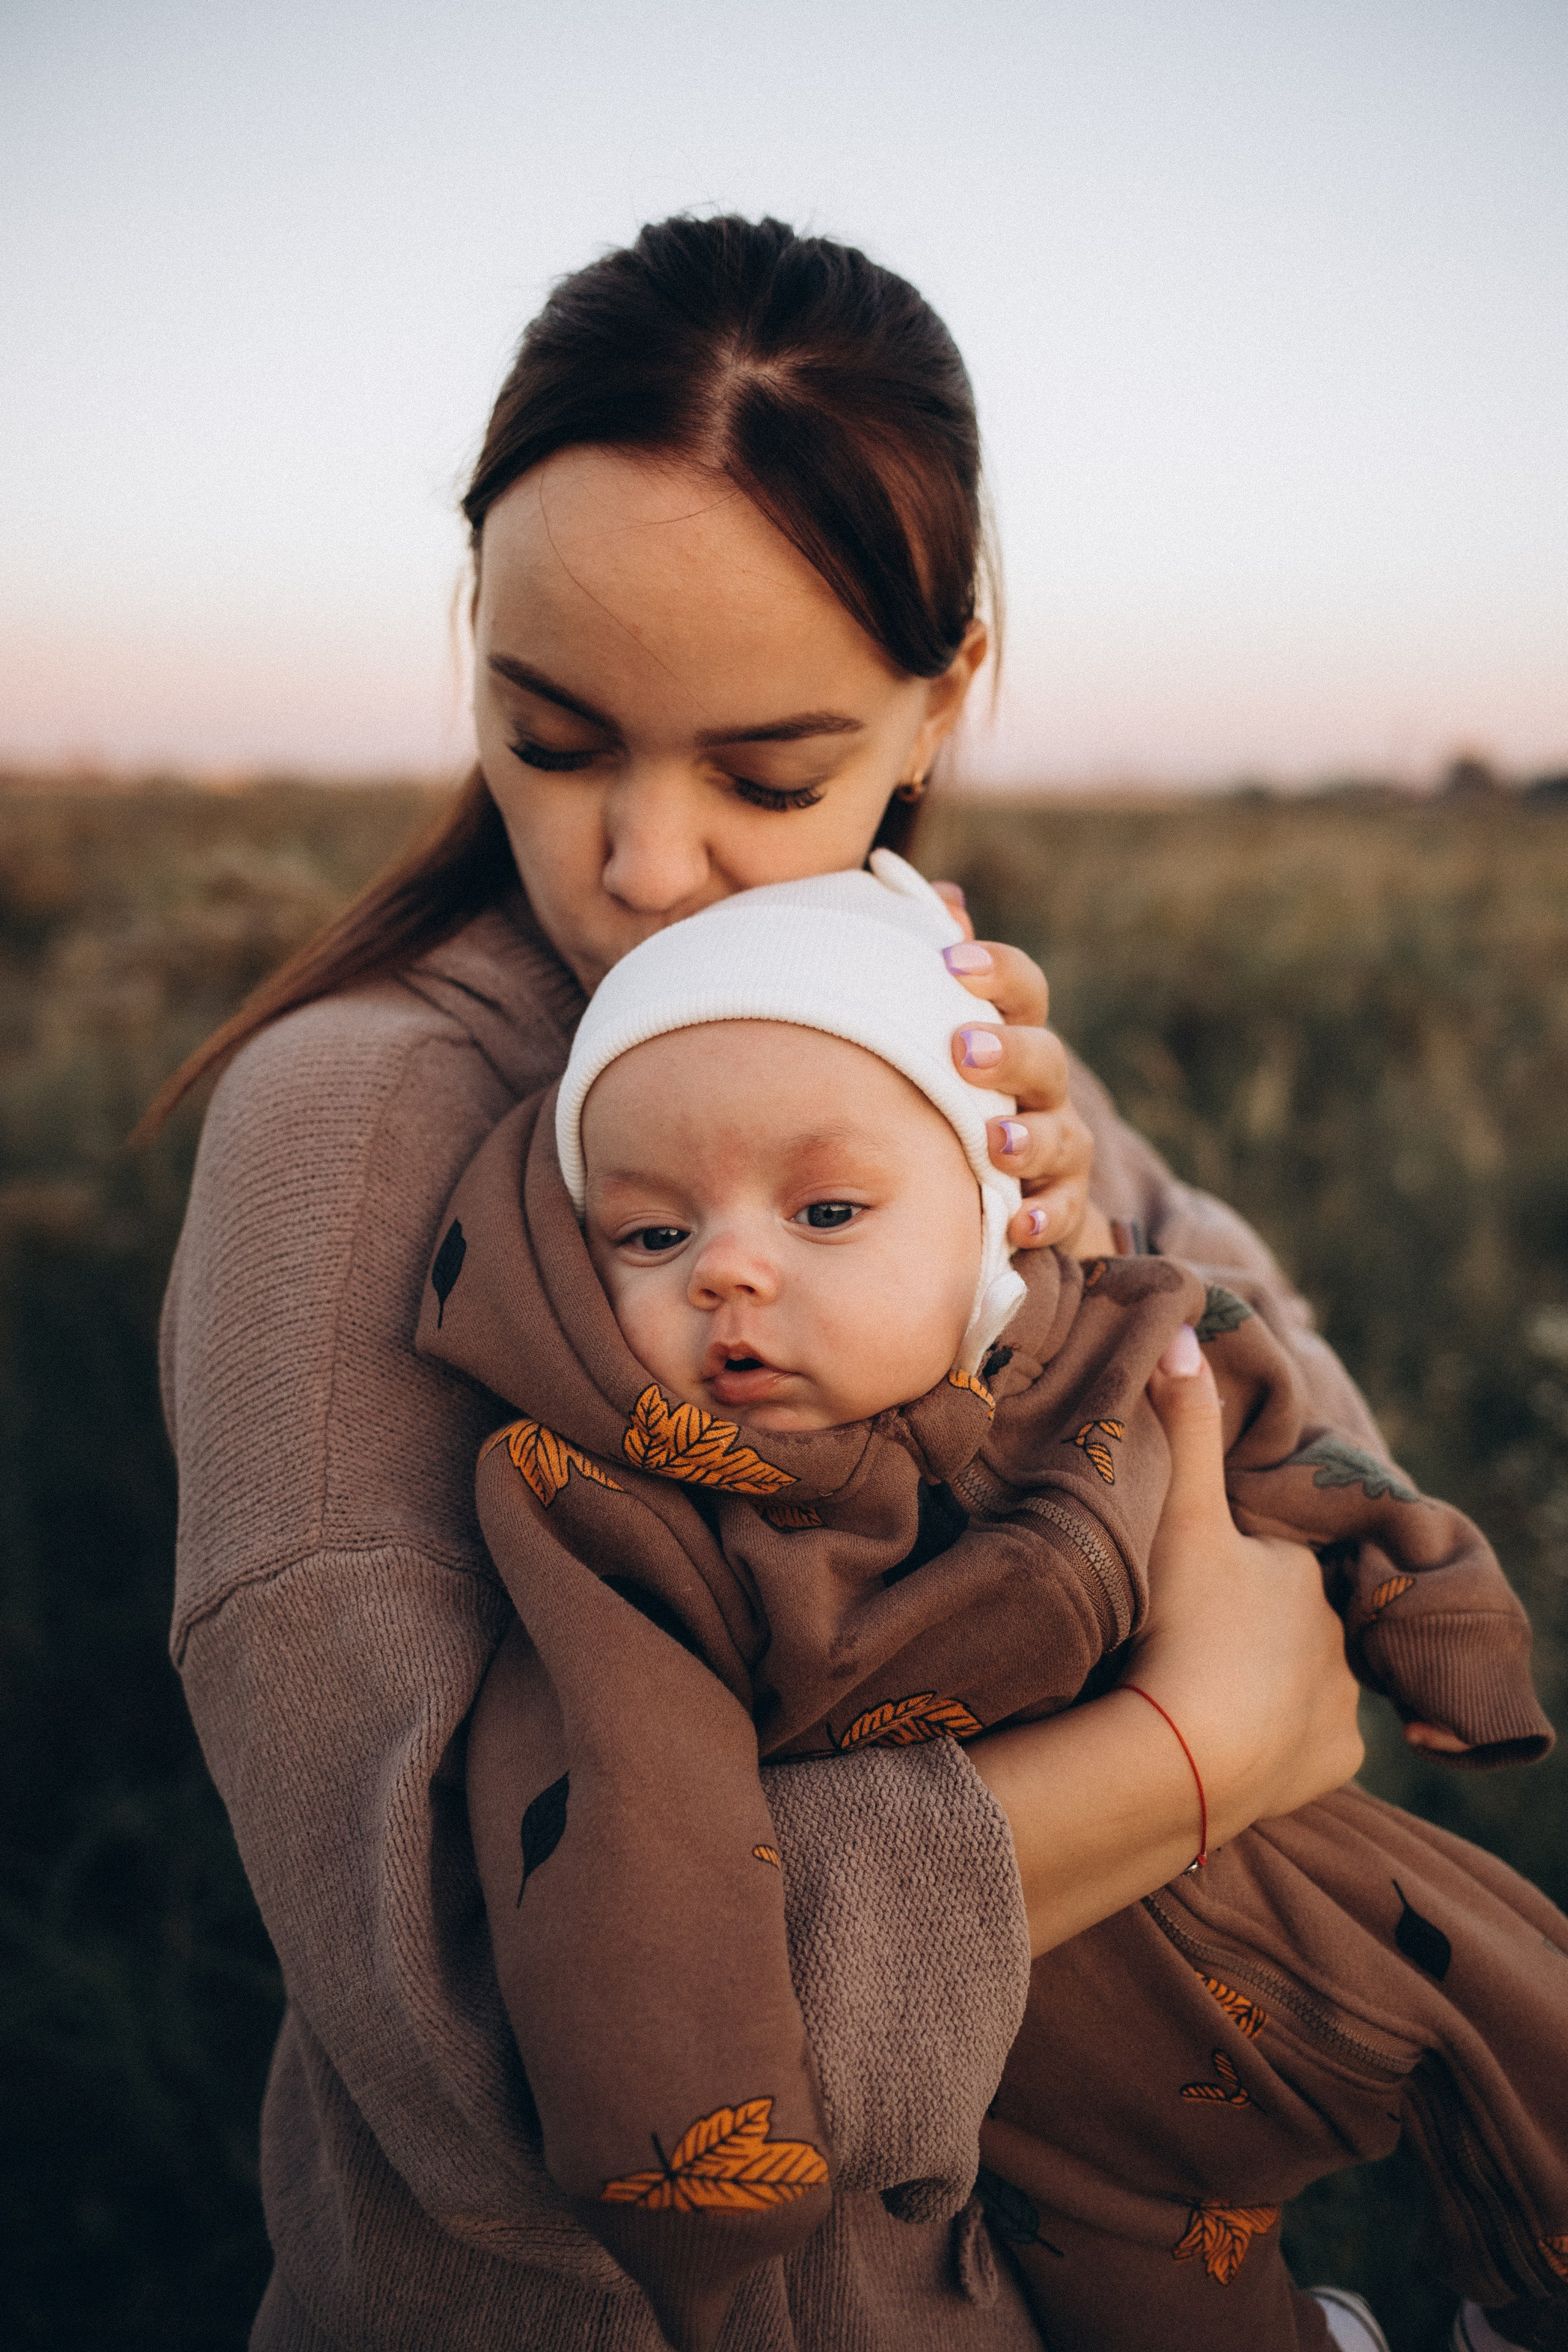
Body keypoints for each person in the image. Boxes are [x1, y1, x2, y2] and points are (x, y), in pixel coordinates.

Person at [154, 216, 1374, 2352]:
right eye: (550, 736)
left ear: (945, 698)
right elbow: (480, 2060)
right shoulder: (354, 1127)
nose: (642, 867)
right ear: (474, 624)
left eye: (766, 776)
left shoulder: (949, 1034)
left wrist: (1064, 1243)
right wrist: (1188, 1754)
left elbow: (1349, 1503)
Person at [421, 851, 1564, 2352]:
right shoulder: (625, 1524)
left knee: (1535, 2030)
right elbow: (624, 1819)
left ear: (981, 1213)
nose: (729, 1272)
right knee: (1163, 2313)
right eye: (652, 1235)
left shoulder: (1106, 1342)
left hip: (1306, 1885)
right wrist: (688, 2145)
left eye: (827, 1210)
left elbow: (1294, 1450)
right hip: (1049, 2074)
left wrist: (1439, 1615)